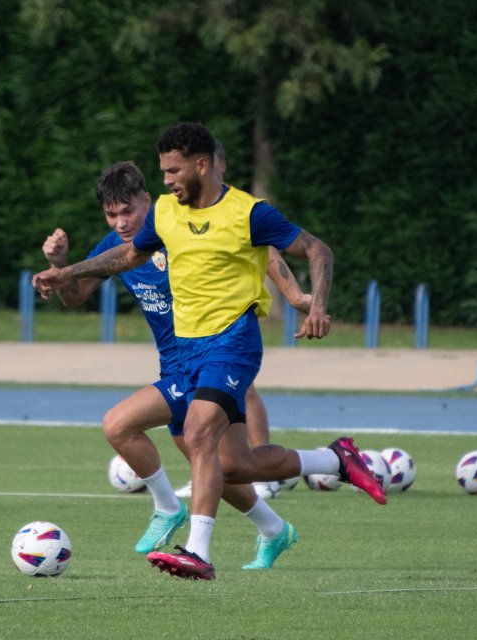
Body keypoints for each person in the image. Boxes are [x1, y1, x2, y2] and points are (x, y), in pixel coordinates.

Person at [34, 122, 386, 581]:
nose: (167, 180)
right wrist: (66, 271)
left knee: (192, 433)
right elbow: (127, 257)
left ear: (202, 165)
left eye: (173, 170)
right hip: (184, 356)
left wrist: (310, 301)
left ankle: (195, 548)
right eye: (162, 172)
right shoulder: (166, 214)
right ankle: (332, 462)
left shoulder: (248, 212)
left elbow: (305, 251)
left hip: (233, 340)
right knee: (228, 464)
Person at [41, 160, 311, 570]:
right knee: (218, 466)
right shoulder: (117, 249)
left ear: (147, 201)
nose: (120, 222)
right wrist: (61, 267)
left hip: (215, 350)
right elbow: (76, 296)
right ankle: (275, 530)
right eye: (111, 214)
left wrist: (294, 295)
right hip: (177, 365)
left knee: (122, 424)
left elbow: (263, 248)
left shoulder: (181, 226)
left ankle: (171, 513)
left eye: (127, 211)